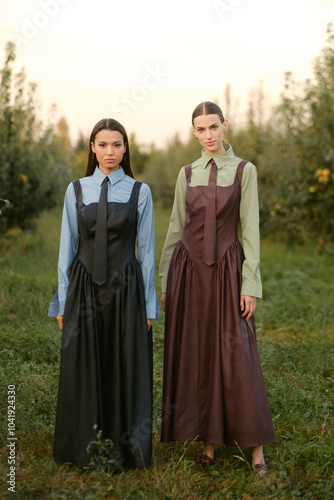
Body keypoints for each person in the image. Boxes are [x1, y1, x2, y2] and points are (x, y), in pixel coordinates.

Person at [159, 102, 275, 473]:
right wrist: (165, 281)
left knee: (238, 352)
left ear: (225, 126)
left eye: (213, 127)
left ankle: (255, 450)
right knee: (198, 351)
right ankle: (207, 443)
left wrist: (249, 283)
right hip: (189, 272)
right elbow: (175, 229)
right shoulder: (186, 173)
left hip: (227, 271)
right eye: (200, 129)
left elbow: (250, 231)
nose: (208, 135)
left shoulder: (245, 171)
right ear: (194, 133)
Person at [48, 118, 159, 470]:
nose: (109, 152)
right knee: (84, 363)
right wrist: (63, 300)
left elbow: (146, 252)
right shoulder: (76, 190)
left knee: (123, 362)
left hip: (126, 289)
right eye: (102, 145)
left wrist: (149, 306)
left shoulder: (140, 192)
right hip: (83, 288)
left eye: (116, 145)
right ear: (92, 148)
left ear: (126, 148)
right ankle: (82, 447)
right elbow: (67, 248)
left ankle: (126, 448)